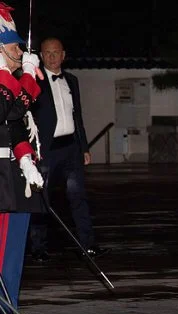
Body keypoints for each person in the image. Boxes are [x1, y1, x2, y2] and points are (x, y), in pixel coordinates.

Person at [28, 37, 107, 262]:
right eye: (47, 53)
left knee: (78, 197)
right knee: (43, 200)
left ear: (64, 55)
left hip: (71, 148)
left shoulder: (72, 80)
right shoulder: (34, 81)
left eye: (56, 52)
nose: (52, 57)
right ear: (41, 56)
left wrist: (84, 147)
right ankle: (38, 247)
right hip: (47, 150)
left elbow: (77, 116)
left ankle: (88, 244)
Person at [0, 2, 44, 314]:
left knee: (12, 262)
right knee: (2, 261)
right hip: (1, 183)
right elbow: (9, 110)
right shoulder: (4, 82)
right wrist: (27, 77)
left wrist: (27, 158)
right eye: (16, 48)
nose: (22, 53)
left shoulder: (8, 82)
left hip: (14, 181)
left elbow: (16, 125)